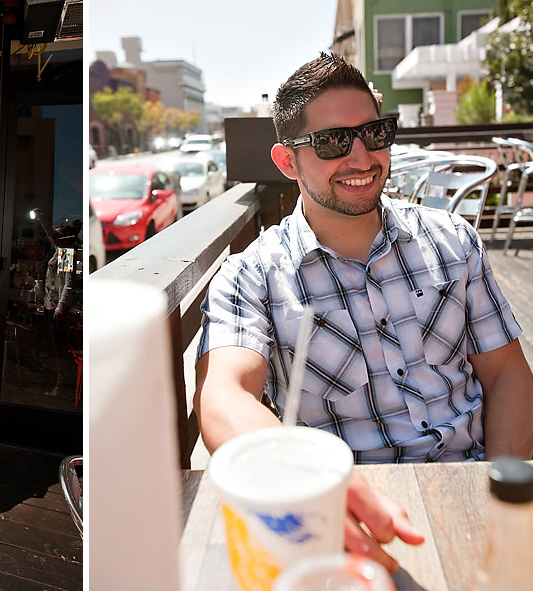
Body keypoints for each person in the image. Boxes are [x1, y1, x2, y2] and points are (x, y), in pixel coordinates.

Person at [195, 53, 532, 572]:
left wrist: (503, 487)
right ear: (287, 162)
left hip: (472, 487)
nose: (361, 157)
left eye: (374, 133)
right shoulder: (253, 275)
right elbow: (223, 396)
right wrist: (302, 479)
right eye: (333, 141)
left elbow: (507, 372)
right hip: (342, 519)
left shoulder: (455, 241)